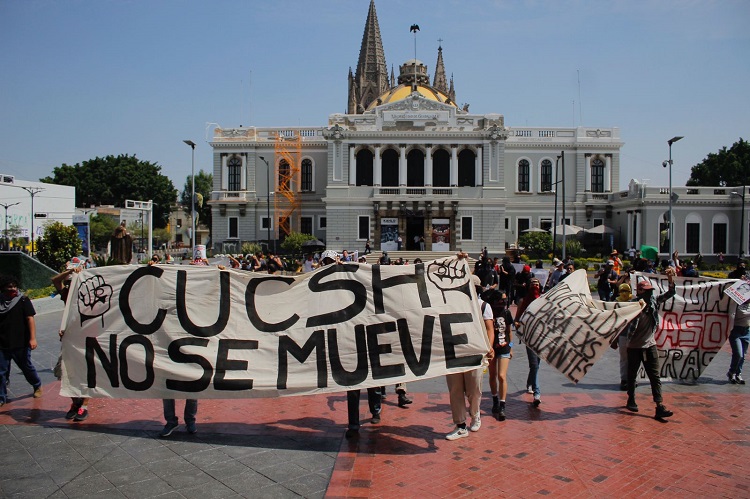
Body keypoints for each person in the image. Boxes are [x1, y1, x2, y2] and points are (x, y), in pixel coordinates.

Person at [445, 272, 493, 440]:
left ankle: (475, 414)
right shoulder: (450, 305)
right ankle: (460, 425)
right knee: (455, 390)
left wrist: (489, 347)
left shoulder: (483, 306)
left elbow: (489, 328)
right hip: (454, 352)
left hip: (474, 353)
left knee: (474, 389)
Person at [625, 268, 677, 420]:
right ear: (639, 292)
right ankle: (631, 398)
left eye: (650, 291)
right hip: (634, 347)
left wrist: (670, 279)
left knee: (654, 376)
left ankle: (659, 405)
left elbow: (670, 293)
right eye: (646, 291)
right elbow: (620, 322)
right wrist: (615, 340)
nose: (649, 294)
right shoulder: (632, 306)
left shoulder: (653, 302)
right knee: (632, 375)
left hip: (649, 345)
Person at [52, 266, 92, 421]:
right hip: (70, 339)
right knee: (65, 372)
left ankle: (84, 406)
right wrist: (70, 272)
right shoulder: (67, 294)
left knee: (87, 373)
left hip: (87, 339)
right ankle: (76, 402)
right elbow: (55, 280)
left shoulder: (91, 295)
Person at [0, 275, 42, 407]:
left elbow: (30, 319)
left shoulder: (23, 300)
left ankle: (37, 385)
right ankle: (1, 397)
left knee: (26, 367)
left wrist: (33, 338)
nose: (13, 289)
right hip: (2, 343)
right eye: (9, 287)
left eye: (14, 286)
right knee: (1, 372)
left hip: (20, 342)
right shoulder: (0, 301)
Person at [483, 289, 513, 421]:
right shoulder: (489, 313)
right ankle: (495, 398)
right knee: (492, 375)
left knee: (501, 375)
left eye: (505, 300)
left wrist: (511, 346)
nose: (503, 302)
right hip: (492, 348)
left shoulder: (506, 313)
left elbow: (509, 331)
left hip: (504, 347)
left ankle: (502, 404)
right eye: (501, 300)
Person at [515, 278, 543, 407]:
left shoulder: (543, 301)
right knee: (534, 364)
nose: (534, 286)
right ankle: (537, 393)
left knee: (536, 364)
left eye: (536, 284)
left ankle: (530, 383)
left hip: (541, 337)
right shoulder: (523, 301)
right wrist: (519, 325)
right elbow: (516, 319)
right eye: (532, 284)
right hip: (529, 337)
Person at [615, 283, 634, 391]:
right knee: (624, 358)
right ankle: (624, 379)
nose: (624, 293)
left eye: (626, 291)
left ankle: (632, 379)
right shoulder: (616, 303)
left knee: (634, 358)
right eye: (622, 291)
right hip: (622, 334)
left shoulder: (635, 302)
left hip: (634, 334)